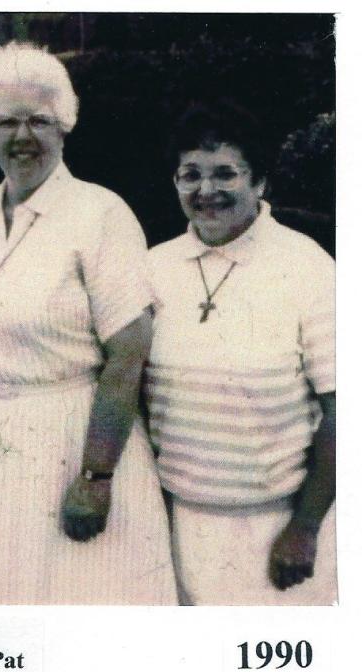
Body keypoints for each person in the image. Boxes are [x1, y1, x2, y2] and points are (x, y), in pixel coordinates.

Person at [0, 42, 177, 604]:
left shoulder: (100, 213)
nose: (24, 137)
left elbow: (128, 352)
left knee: (83, 603)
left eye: (40, 121)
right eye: (6, 122)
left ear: (65, 128)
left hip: (76, 436)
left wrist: (95, 477)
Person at [144, 102, 336, 605]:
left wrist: (306, 527)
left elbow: (345, 411)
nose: (206, 191)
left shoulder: (306, 266)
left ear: (260, 183)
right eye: (191, 175)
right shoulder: (151, 269)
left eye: (225, 173)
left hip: (280, 533)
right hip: (180, 528)